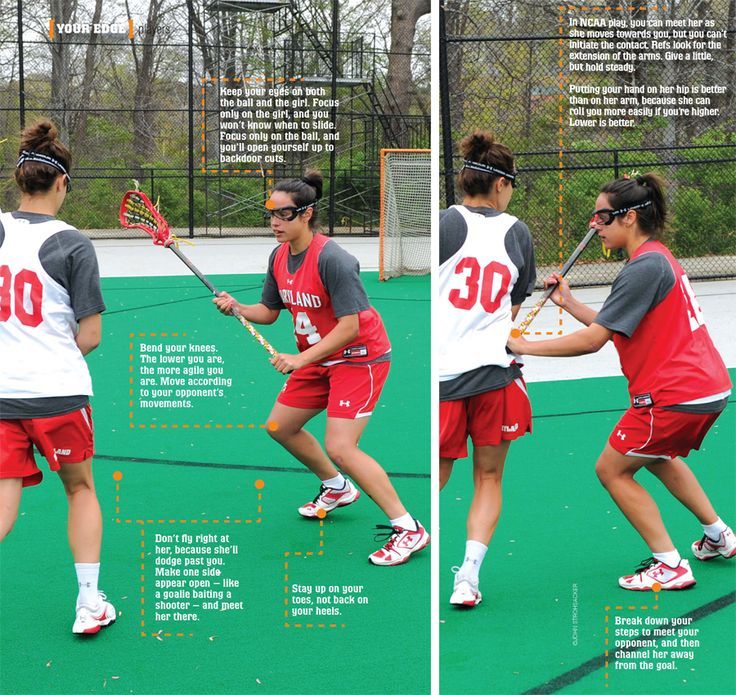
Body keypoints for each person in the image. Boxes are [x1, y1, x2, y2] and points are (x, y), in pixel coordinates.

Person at [507, 172, 734, 590]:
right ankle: (719, 535)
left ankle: (670, 564)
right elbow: (616, 326)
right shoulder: (656, 258)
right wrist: (570, 302)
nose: (595, 225)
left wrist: (520, 344)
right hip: (707, 387)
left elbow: (594, 342)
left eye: (603, 217)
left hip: (674, 393)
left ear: (629, 218)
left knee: (612, 469)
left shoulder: (641, 269)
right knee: (659, 455)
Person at [214, 171, 428, 566]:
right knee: (280, 426)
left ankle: (409, 528)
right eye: (271, 214)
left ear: (307, 214)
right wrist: (238, 308)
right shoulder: (278, 256)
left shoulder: (334, 260)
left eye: (284, 214)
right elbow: (269, 312)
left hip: (358, 358)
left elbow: (350, 327)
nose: (275, 222)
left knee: (341, 446)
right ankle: (337, 487)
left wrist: (299, 359)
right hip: (318, 358)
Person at [0, 120, 115, 633]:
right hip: (57, 393)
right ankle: (89, 604)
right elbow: (89, 337)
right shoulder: (74, 243)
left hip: (2, 393)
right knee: (80, 490)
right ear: (62, 183)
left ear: (18, 178)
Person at [439, 132, 536, 606]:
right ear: (501, 186)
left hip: (445, 378)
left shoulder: (441, 224)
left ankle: (409, 533)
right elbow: (510, 311)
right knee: (489, 479)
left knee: (436, 475)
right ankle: (468, 577)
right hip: (494, 374)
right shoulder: (517, 232)